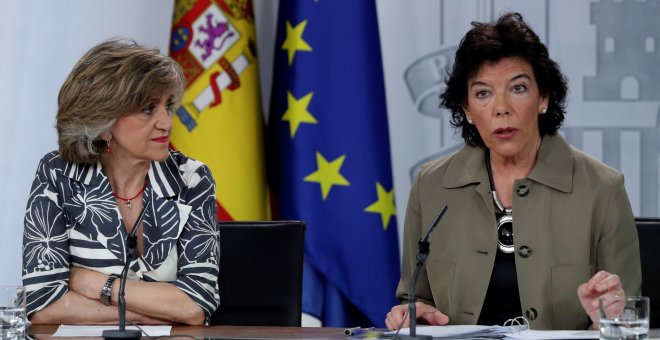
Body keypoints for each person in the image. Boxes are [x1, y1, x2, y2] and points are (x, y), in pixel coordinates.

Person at [385, 13, 641, 330]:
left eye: (518, 88)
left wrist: (606, 320)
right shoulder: (431, 185)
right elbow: (415, 299)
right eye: (483, 93)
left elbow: (627, 318)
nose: (501, 107)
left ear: (543, 97)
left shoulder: (603, 188)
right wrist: (413, 315)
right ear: (466, 108)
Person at [22, 39, 220, 325]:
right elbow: (44, 306)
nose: (166, 122)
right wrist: (159, 311)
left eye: (168, 106)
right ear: (103, 120)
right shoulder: (59, 174)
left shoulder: (191, 179)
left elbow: (195, 306)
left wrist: (99, 286)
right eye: (149, 109)